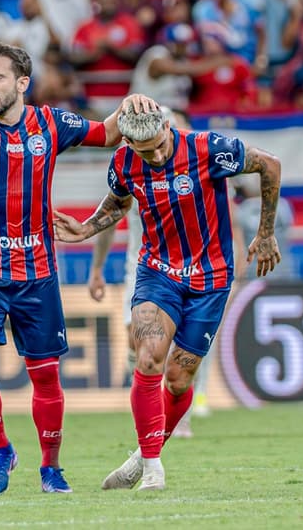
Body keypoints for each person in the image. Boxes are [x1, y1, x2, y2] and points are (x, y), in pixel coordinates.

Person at [0, 37, 152, 495]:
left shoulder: (51, 123)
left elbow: (107, 133)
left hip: (37, 273)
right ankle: (1, 450)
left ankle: (50, 468)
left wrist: (131, 103)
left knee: (44, 376)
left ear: (23, 82)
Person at [53, 104, 282, 491]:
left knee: (178, 379)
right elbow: (119, 201)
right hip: (157, 272)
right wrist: (87, 228)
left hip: (211, 279)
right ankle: (155, 466)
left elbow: (270, 165)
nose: (156, 156)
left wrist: (266, 232)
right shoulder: (124, 162)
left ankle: (143, 455)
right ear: (127, 142)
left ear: (167, 127)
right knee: (148, 357)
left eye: (160, 145)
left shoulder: (208, 149)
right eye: (145, 150)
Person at [88, 106, 193, 437]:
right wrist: (97, 269)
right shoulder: (130, 169)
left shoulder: (192, 164)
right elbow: (110, 218)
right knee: (139, 343)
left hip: (190, 266)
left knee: (182, 348)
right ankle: (152, 410)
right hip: (143, 266)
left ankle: (177, 415)